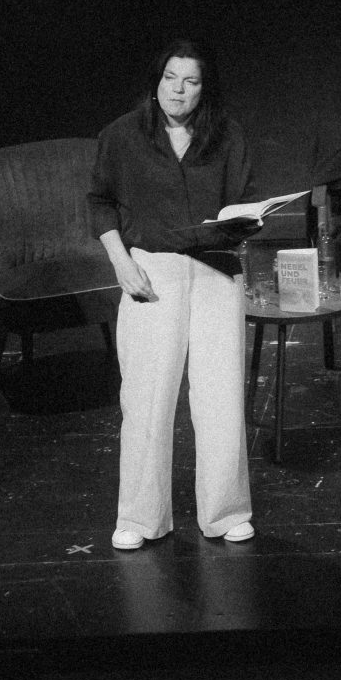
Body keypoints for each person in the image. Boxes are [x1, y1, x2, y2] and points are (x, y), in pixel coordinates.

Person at [88, 40, 262, 550]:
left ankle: (226, 511)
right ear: (156, 81)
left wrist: (247, 221)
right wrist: (122, 264)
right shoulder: (123, 135)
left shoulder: (227, 135)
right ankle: (140, 518)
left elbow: (245, 204)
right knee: (146, 398)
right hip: (150, 271)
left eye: (190, 81)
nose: (178, 90)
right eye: (170, 78)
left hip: (214, 268)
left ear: (205, 88)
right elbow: (100, 202)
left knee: (220, 396)